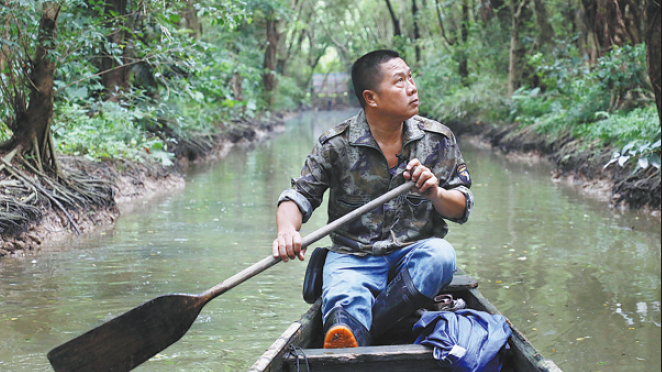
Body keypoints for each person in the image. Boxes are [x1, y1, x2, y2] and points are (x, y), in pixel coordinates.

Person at [272, 50, 474, 349]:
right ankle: (351, 326)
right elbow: (299, 195)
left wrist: (435, 193)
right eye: (400, 81)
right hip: (353, 258)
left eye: (410, 77)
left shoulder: (438, 139)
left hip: (412, 256)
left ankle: (357, 335)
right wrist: (287, 230)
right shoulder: (337, 144)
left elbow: (461, 207)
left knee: (441, 256)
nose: (412, 87)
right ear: (371, 98)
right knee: (345, 295)